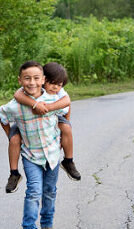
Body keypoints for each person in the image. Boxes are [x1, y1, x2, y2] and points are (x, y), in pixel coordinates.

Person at [0, 60, 69, 229]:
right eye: (27, 78)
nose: (32, 82)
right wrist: (12, 136)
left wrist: (63, 133)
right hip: (31, 156)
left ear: (43, 79)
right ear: (20, 80)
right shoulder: (16, 106)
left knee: (50, 191)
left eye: (36, 78)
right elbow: (1, 114)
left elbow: (66, 108)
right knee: (34, 192)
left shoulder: (52, 99)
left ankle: (47, 226)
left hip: (52, 154)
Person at [5, 62, 81, 194]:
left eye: (59, 84)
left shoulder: (58, 90)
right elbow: (17, 95)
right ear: (44, 80)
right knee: (14, 140)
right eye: (52, 83)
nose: (56, 87)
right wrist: (35, 104)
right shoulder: (33, 87)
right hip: (25, 119)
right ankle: (14, 173)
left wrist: (49, 109)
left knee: (66, 128)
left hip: (52, 116)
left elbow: (67, 102)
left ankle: (68, 161)